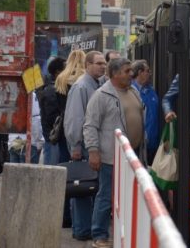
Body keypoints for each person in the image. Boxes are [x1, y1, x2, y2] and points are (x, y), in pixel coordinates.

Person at [84, 58, 144, 248]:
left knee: (128, 198)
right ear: (115, 74)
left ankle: (122, 234)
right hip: (111, 157)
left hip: (133, 157)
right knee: (106, 196)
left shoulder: (133, 91)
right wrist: (93, 151)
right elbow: (90, 126)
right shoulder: (101, 96)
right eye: (127, 71)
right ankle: (99, 235)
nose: (131, 74)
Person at [64, 50, 106, 241]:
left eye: (104, 63)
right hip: (83, 147)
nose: (103, 66)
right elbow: (74, 119)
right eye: (98, 63)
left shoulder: (96, 85)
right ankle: (81, 229)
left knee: (88, 188)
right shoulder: (82, 87)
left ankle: (84, 228)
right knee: (82, 187)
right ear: (88, 65)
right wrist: (75, 146)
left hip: (91, 145)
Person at [55, 50, 86, 230]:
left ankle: (64, 216)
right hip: (77, 131)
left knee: (64, 174)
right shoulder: (82, 80)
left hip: (63, 130)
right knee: (81, 176)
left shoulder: (61, 79)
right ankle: (77, 220)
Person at [37, 56, 66, 165]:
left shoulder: (53, 88)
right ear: (58, 72)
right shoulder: (53, 90)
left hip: (53, 138)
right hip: (53, 139)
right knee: (52, 171)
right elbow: (52, 118)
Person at [131, 59, 160, 165]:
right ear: (140, 72)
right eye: (147, 71)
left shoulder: (150, 90)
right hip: (141, 144)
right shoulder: (131, 91)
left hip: (153, 142)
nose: (150, 74)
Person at [8, 93, 44, 164]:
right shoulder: (32, 95)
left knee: (14, 173)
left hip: (13, 141)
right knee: (29, 174)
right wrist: (39, 142)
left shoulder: (13, 93)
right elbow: (35, 120)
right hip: (28, 142)